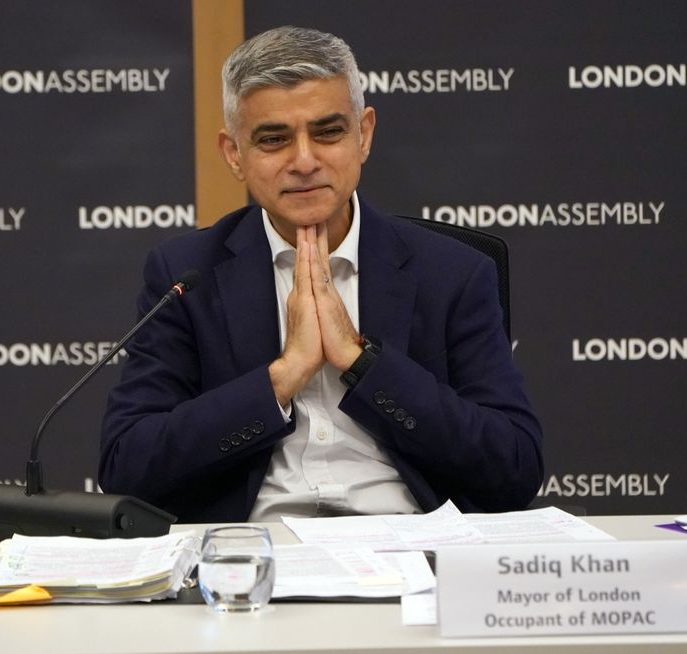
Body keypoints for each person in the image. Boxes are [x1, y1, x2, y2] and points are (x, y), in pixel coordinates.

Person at [99, 26, 543, 523]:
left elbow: (515, 466)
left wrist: (360, 362)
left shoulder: (453, 272)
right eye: (273, 139)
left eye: (328, 132)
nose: (304, 161)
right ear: (234, 155)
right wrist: (283, 377)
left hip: (407, 546)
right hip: (254, 556)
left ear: (364, 134)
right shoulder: (185, 275)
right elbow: (127, 467)